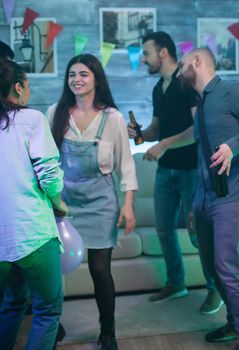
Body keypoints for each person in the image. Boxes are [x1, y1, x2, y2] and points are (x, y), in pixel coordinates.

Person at [176, 48, 239, 350]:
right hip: (206, 199)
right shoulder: (201, 103)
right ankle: (234, 323)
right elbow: (203, 159)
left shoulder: (232, 91)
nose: (178, 73)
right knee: (213, 267)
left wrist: (233, 146)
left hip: (235, 195)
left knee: (228, 264)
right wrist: (195, 202)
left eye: (181, 66)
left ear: (197, 62)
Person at [47, 54, 137, 350]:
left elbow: (126, 165)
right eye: (72, 74)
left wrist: (128, 205)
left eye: (83, 74)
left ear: (96, 78)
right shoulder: (55, 112)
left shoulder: (112, 117)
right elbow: (45, 161)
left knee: (100, 270)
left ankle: (108, 331)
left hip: (102, 201)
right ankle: (51, 323)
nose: (76, 79)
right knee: (53, 268)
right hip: (63, 202)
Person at [128, 32, 221, 313]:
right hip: (165, 171)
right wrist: (140, 134)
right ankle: (176, 283)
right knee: (164, 229)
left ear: (164, 53)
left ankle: (216, 290)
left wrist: (165, 144)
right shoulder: (159, 89)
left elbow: (197, 130)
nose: (143, 59)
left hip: (192, 170)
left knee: (199, 234)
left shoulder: (187, 85)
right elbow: (156, 129)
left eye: (146, 53)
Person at [0, 59, 68, 349]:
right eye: (27, 84)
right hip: (33, 234)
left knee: (11, 304)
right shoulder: (31, 119)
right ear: (18, 87)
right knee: (47, 310)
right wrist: (59, 203)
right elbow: (49, 174)